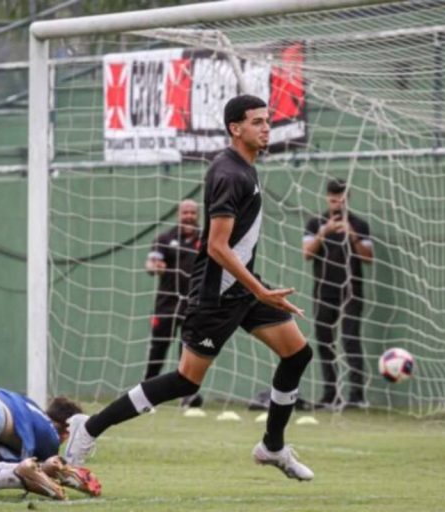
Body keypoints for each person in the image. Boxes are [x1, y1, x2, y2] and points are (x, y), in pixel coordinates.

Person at [63, 94, 315, 481]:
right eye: (258, 121)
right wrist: (259, 291)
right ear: (236, 128)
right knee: (185, 380)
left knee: (297, 354)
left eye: (268, 120)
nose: (267, 127)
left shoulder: (245, 167)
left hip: (243, 288)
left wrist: (254, 289)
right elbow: (216, 246)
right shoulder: (230, 173)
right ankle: (90, 427)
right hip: (216, 296)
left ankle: (273, 447)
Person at [303, 178, 374, 410]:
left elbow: (368, 258)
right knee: (325, 342)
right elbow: (307, 253)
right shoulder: (315, 223)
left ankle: (357, 396)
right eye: (333, 199)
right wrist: (324, 232)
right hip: (324, 291)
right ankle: (330, 395)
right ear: (327, 198)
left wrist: (352, 234)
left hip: (351, 291)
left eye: (340, 198)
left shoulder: (360, 225)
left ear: (347, 198)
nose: (336, 203)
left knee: (350, 339)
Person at [144, 198, 203, 408]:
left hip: (194, 305)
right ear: (179, 214)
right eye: (185, 212)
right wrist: (154, 266)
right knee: (158, 350)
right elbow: (151, 263)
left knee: (188, 352)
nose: (188, 216)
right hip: (166, 304)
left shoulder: (205, 239)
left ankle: (188, 397)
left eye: (192, 213)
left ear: (197, 215)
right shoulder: (164, 238)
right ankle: (146, 395)